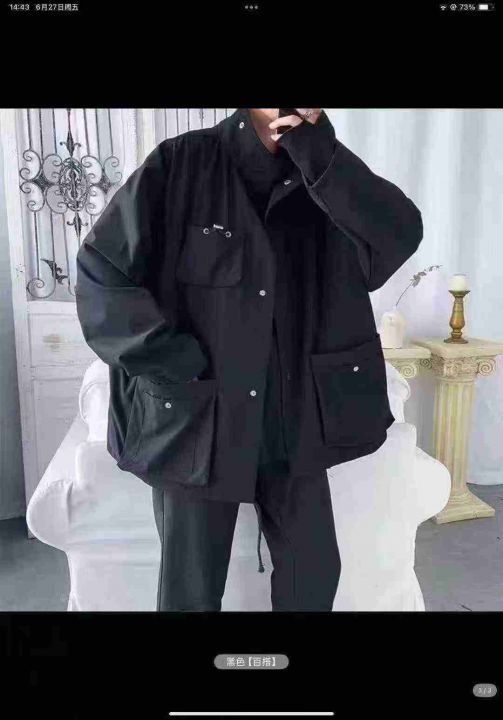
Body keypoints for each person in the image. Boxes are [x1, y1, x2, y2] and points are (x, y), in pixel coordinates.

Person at [75, 108, 423, 612]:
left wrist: (318, 153)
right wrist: (170, 358)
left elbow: (397, 236)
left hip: (294, 419)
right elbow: (101, 271)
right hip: (198, 418)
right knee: (191, 590)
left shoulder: (328, 174)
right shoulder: (180, 164)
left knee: (314, 571)